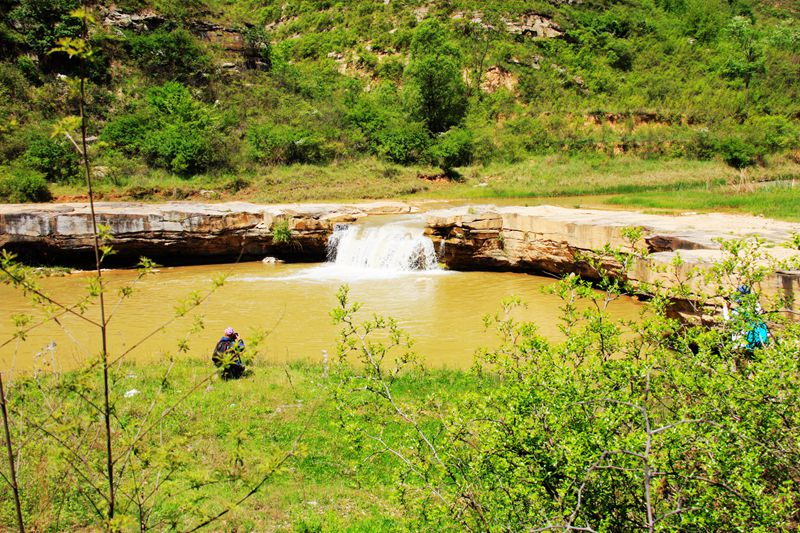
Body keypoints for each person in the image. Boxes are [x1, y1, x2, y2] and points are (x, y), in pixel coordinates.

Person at [721, 285, 769, 352]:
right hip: (759, 344)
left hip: (744, 346)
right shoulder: (757, 308)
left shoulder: (739, 312)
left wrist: (725, 308)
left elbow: (727, 322)